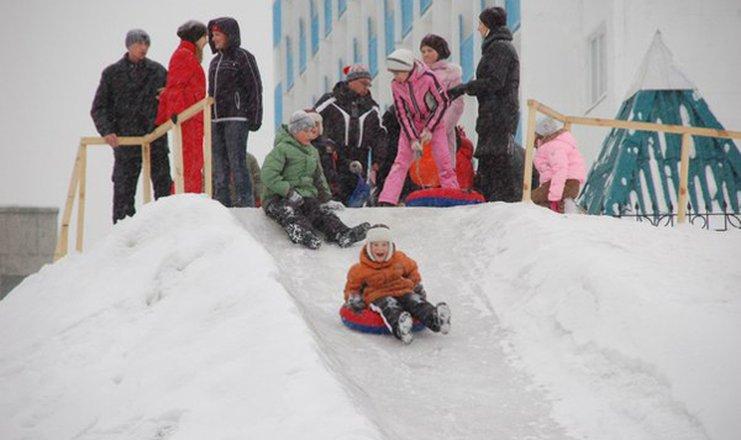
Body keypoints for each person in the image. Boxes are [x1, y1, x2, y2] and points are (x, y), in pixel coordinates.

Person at [91, 29, 171, 223]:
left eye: (146, 44)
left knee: (164, 190)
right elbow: (99, 108)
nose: (143, 48)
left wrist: (167, 96)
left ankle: (167, 228)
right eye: (139, 44)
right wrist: (107, 131)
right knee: (123, 192)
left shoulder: (158, 71)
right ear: (129, 46)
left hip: (155, 138)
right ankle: (123, 237)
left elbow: (173, 99)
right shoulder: (112, 74)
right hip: (126, 140)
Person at [261, 111, 371, 249]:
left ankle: (342, 234)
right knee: (288, 211)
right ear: (296, 131)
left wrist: (326, 198)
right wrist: (288, 192)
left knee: (320, 213)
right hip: (277, 197)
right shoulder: (281, 149)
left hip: (305, 196)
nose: (311, 134)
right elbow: (268, 175)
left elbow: (318, 176)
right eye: (306, 131)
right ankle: (302, 233)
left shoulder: (312, 151)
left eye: (312, 131)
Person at [448, 7, 520, 202]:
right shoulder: (497, 47)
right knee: (491, 157)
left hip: (499, 114)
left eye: (481, 24)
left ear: (489, 26)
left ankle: (501, 200)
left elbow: (495, 81)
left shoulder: (500, 48)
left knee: (496, 158)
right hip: (494, 113)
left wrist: (465, 87)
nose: (479, 29)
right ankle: (491, 199)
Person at [343, 225, 451, 344]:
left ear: (390, 246)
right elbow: (352, 288)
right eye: (375, 245)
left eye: (384, 245)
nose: (380, 249)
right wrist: (354, 299)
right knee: (390, 306)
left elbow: (412, 269)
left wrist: (414, 283)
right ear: (368, 247)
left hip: (402, 290)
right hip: (378, 296)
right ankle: (401, 328)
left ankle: (436, 319)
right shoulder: (359, 269)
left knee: (415, 301)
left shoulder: (399, 258)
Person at [377, 49, 459, 206]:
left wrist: (429, 128)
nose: (396, 76)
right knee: (400, 162)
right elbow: (402, 113)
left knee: (444, 161)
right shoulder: (396, 85)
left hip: (434, 123)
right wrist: (412, 138)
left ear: (407, 69)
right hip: (411, 125)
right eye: (393, 73)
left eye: (398, 72)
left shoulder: (429, 77)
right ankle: (387, 199)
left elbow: (443, 102)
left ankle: (452, 194)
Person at [208, 17, 263, 207]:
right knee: (219, 164)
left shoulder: (243, 57)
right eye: (212, 35)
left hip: (237, 118)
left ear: (229, 35)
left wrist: (255, 117)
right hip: (216, 120)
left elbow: (254, 87)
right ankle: (221, 204)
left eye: (218, 35)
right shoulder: (214, 62)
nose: (214, 39)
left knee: (237, 162)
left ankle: (244, 202)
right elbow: (210, 93)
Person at [314, 65, 387, 205]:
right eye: (363, 83)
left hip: (361, 156)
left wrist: (378, 159)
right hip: (335, 154)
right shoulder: (331, 100)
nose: (367, 88)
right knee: (334, 191)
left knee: (356, 196)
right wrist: (324, 144)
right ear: (351, 81)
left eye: (369, 84)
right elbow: (313, 119)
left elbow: (380, 134)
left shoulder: (372, 107)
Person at [156, 20, 208, 194]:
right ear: (196, 37)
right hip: (188, 119)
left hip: (193, 118)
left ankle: (188, 198)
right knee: (190, 164)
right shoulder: (183, 55)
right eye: (204, 36)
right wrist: (176, 113)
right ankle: (186, 199)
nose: (206, 40)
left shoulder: (188, 55)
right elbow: (175, 86)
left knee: (193, 164)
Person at [420, 34, 464, 167]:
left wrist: (440, 129)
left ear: (439, 52)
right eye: (423, 51)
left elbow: (457, 105)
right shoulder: (419, 75)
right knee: (422, 176)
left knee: (442, 173)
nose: (425, 54)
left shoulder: (450, 74)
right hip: (420, 136)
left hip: (442, 133)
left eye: (430, 50)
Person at [531, 117, 586, 213]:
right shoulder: (551, 145)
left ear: (540, 135)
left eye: (533, 134)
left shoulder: (554, 146)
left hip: (566, 183)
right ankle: (565, 209)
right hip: (562, 184)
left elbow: (560, 169)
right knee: (542, 204)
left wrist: (554, 197)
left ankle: (569, 209)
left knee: (531, 199)